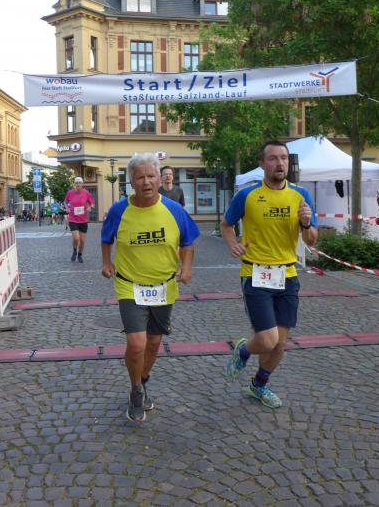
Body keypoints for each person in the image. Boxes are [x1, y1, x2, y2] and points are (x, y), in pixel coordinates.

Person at [101, 153, 200, 422]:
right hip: (129, 285)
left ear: (159, 179)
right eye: (140, 177)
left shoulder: (175, 210)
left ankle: (143, 380)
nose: (146, 182)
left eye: (151, 176)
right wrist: (107, 263)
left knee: (154, 343)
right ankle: (135, 391)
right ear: (131, 182)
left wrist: (187, 268)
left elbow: (188, 242)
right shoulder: (119, 210)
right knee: (137, 344)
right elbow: (106, 238)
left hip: (164, 286)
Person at [222, 140, 318, 409]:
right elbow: (227, 224)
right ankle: (243, 350)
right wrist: (232, 244)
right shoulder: (248, 195)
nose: (280, 163)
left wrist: (306, 222)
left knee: (280, 343)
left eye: (284, 158)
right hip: (255, 272)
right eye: (273, 158)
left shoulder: (301, 195)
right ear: (262, 163)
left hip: (287, 274)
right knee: (267, 339)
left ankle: (259, 385)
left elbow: (311, 240)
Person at [64, 177, 95, 262]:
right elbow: (65, 202)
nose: (78, 184)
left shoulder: (86, 192)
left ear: (82, 184)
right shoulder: (70, 193)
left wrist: (90, 207)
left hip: (83, 220)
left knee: (82, 240)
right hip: (73, 219)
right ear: (74, 184)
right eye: (76, 183)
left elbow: (92, 202)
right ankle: (74, 250)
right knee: (76, 238)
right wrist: (67, 208)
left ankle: (80, 255)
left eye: (79, 183)